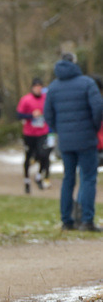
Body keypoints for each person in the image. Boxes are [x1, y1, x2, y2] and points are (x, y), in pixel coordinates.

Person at [44, 51, 103, 232]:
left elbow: (48, 114)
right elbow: (98, 107)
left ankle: (66, 220)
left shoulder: (53, 87)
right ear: (75, 63)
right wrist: (93, 128)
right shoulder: (87, 83)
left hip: (66, 141)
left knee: (68, 179)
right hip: (86, 139)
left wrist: (60, 130)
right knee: (88, 177)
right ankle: (86, 220)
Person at [16, 78, 50, 193]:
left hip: (42, 132)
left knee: (44, 155)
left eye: (40, 87)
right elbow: (19, 115)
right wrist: (31, 116)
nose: (38, 89)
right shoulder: (26, 100)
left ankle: (39, 176)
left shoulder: (46, 99)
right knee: (28, 156)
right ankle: (26, 180)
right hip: (29, 133)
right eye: (36, 87)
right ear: (32, 88)